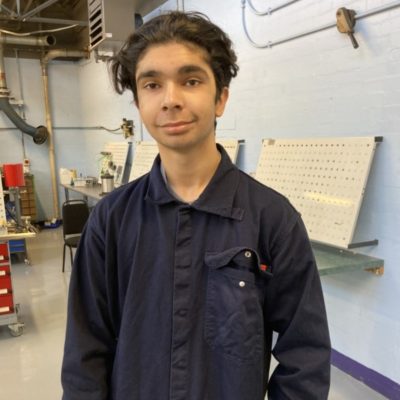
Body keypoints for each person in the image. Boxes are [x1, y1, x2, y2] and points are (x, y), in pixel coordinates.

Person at [61, 11, 331, 400]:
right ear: (138, 104)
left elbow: (305, 355)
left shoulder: (273, 219)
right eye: (152, 84)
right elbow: (85, 355)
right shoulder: (110, 221)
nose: (170, 100)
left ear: (220, 97)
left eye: (190, 81)